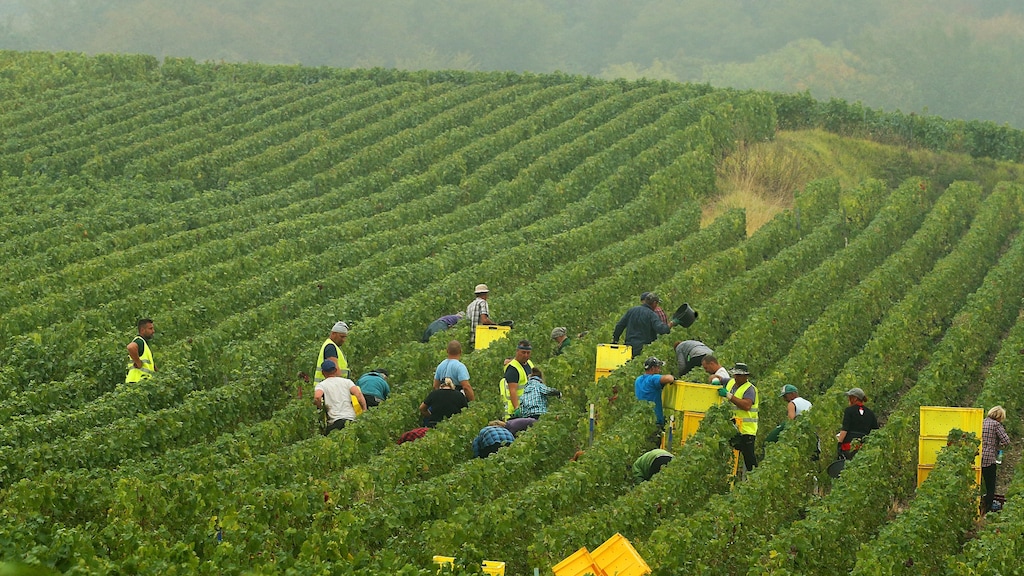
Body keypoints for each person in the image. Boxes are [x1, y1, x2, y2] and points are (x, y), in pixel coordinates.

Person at [718, 362, 759, 471]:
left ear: (745, 376)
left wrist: (728, 395)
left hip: (746, 429)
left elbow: (746, 405)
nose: (736, 377)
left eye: (738, 375)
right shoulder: (731, 383)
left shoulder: (750, 389)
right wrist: (715, 380)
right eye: (735, 375)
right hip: (732, 427)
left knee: (749, 458)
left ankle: (754, 479)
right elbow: (718, 378)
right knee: (727, 451)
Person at [612, 292, 675, 358]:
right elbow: (662, 329)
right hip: (644, 349)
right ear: (654, 303)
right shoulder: (652, 315)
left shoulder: (632, 310)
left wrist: (615, 340)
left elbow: (620, 325)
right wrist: (672, 323)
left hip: (629, 347)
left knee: (629, 365)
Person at [314, 359, 367, 435]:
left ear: (323, 372)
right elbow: (358, 394)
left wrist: (320, 409)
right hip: (350, 419)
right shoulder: (347, 382)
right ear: (335, 370)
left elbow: (317, 397)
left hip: (334, 422)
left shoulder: (322, 385)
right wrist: (364, 409)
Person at [981, 405, 1011, 514]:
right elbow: (1006, 441)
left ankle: (977, 505)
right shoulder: (996, 425)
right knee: (990, 485)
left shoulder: (982, 422)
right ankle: (988, 509)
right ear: (999, 416)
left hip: (977, 457)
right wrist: (999, 445)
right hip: (989, 459)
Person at [836, 387, 879, 460]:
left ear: (855, 398)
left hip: (849, 446)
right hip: (864, 447)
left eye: (849, 397)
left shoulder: (849, 411)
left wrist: (839, 444)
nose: (848, 399)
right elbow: (875, 431)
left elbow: (845, 429)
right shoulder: (870, 413)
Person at [634, 356, 675, 427]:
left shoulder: (638, 379)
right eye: (658, 368)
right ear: (653, 368)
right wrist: (673, 377)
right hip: (654, 420)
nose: (660, 370)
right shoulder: (653, 378)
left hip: (641, 417)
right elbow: (669, 378)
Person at [501, 340, 536, 419]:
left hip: (528, 408)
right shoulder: (513, 368)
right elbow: (512, 390)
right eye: (523, 352)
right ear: (517, 351)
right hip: (515, 411)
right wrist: (517, 408)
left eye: (528, 353)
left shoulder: (530, 364)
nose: (526, 355)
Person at [125, 318, 156, 383]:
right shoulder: (139, 341)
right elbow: (131, 347)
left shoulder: (145, 344)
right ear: (142, 330)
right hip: (137, 381)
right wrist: (138, 362)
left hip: (141, 382)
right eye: (150, 329)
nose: (153, 331)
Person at [466, 283, 495, 350]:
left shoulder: (470, 305)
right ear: (484, 294)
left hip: (471, 337)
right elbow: (484, 320)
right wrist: (494, 325)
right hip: (481, 337)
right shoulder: (482, 302)